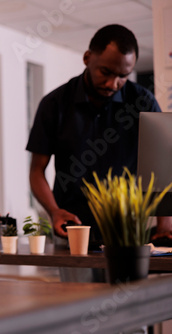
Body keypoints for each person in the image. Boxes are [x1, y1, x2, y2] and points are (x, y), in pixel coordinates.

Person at [26, 24, 171, 246]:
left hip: (127, 228)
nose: (113, 84)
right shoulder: (53, 104)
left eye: (123, 76)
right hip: (72, 227)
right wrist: (54, 211)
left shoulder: (144, 102)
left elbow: (162, 168)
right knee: (79, 282)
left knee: (129, 283)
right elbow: (37, 171)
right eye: (106, 72)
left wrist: (165, 225)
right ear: (87, 58)